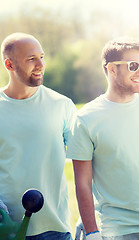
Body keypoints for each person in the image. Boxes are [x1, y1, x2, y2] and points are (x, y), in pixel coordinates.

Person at [66, 38, 139, 240]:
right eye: (133, 66)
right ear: (112, 69)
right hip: (118, 231)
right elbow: (82, 183)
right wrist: (91, 232)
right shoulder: (86, 118)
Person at [0, 32, 76, 239]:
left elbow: (84, 164)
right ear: (9, 65)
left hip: (56, 230)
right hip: (8, 231)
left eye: (41, 57)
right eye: (31, 59)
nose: (41, 64)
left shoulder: (62, 105)